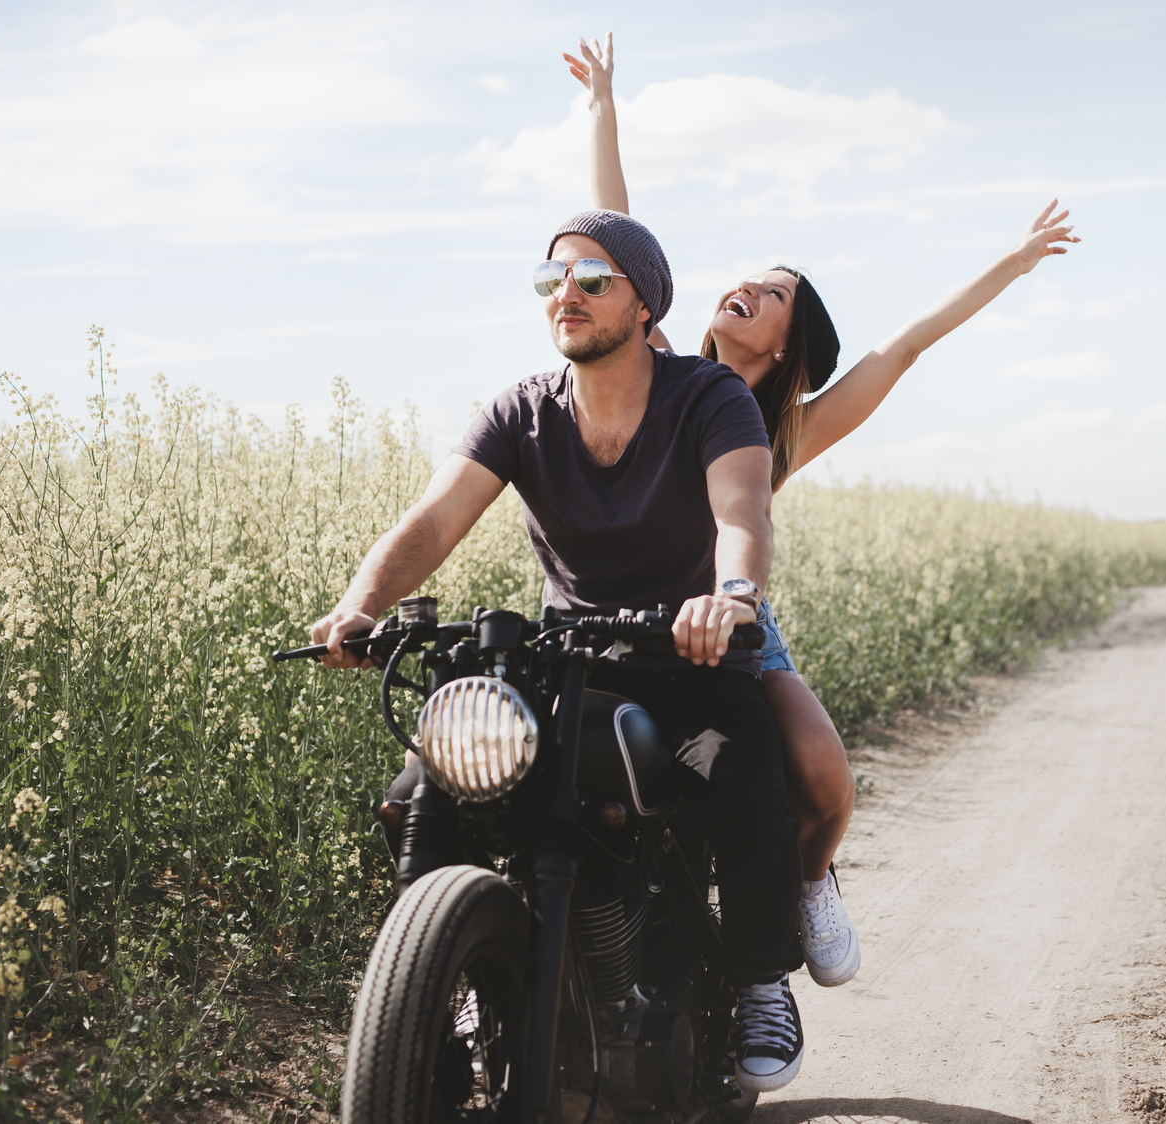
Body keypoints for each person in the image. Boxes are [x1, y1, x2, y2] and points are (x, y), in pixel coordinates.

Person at [563, 34, 1080, 990]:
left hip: (734, 620)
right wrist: (603, 106)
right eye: (753, 276)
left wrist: (1011, 263)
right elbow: (614, 233)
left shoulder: (789, 427)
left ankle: (806, 886)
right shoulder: (661, 369)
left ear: (786, 344)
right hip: (630, 622)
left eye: (775, 295)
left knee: (825, 784)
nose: (750, 287)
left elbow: (904, 347)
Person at [310, 210, 808, 1093]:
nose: (565, 296)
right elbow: (432, 520)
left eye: (591, 280)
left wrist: (730, 600)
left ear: (646, 304)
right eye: (551, 282)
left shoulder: (708, 396)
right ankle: (443, 980)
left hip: (684, 658)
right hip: (572, 658)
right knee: (427, 786)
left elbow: (742, 512)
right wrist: (359, 609)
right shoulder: (520, 409)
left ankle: (758, 978)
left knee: (743, 768)